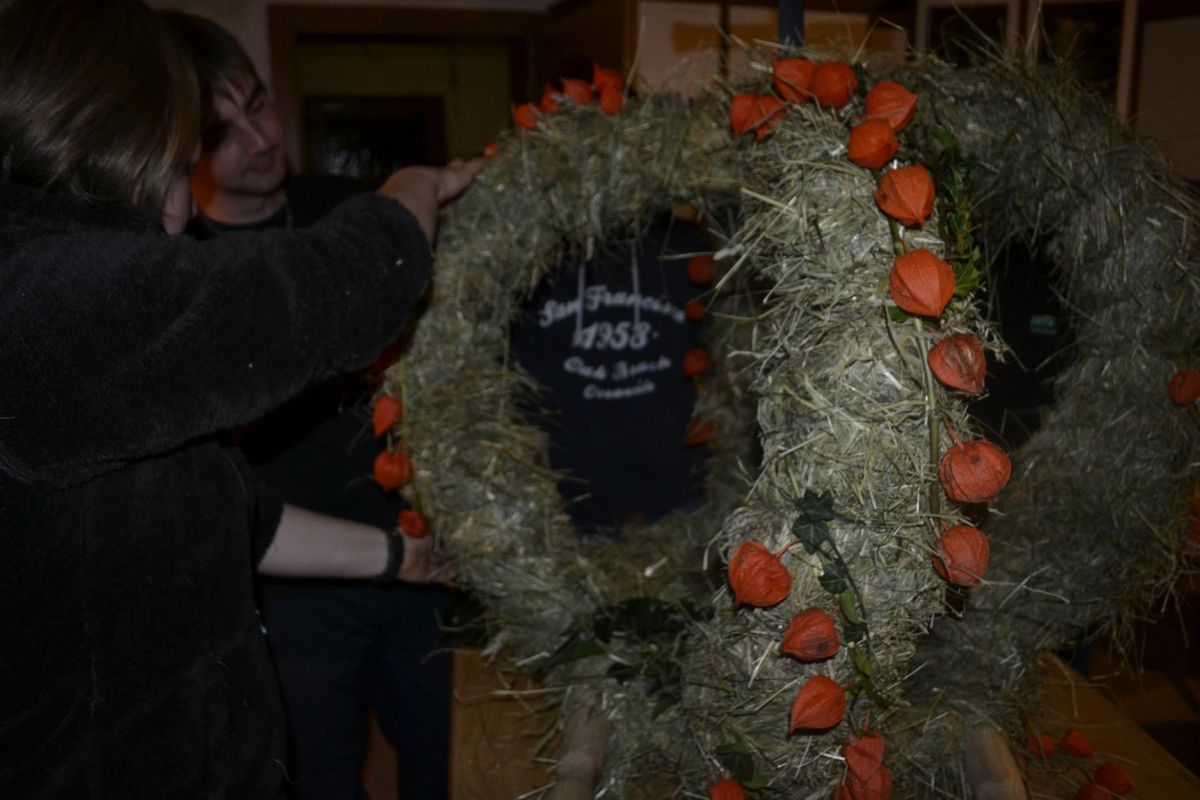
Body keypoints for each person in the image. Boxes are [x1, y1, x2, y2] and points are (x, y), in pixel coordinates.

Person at [0, 1, 479, 797]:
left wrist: (402, 558)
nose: (190, 191)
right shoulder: (46, 302)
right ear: (128, 139)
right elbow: (341, 289)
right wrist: (411, 189)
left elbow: (226, 516)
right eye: (184, 151)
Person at [162, 11, 454, 799]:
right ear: (180, 147)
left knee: (446, 761)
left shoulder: (355, 215)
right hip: (292, 576)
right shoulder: (182, 270)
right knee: (320, 778)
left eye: (259, 103)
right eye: (223, 134)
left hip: (418, 543)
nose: (261, 139)